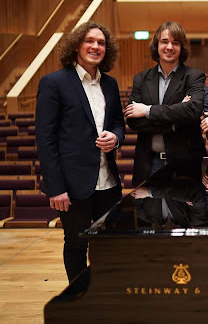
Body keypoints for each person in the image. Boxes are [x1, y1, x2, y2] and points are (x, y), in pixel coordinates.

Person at [36, 21, 124, 283]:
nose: (95, 46)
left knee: (107, 244)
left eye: (101, 43)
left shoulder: (110, 84)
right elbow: (45, 138)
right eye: (90, 41)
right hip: (73, 186)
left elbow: (118, 122)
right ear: (76, 45)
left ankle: (101, 294)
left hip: (108, 183)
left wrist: (116, 137)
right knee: (76, 244)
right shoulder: (54, 82)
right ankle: (78, 297)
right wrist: (55, 187)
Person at [125, 21, 205, 184]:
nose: (169, 47)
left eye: (175, 43)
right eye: (164, 41)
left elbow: (192, 111)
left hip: (183, 164)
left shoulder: (194, 76)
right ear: (156, 45)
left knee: (181, 210)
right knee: (148, 210)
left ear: (182, 47)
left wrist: (147, 111)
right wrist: (174, 122)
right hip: (148, 163)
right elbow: (134, 121)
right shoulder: (141, 78)